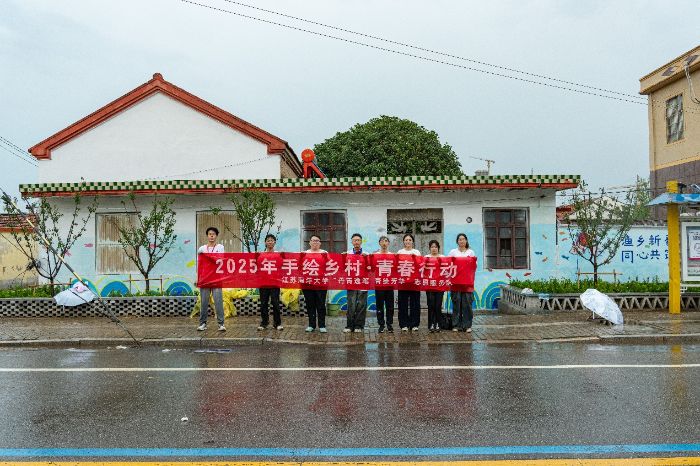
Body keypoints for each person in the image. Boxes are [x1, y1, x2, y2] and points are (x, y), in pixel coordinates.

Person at [196, 226, 226, 332]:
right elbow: (199, 264)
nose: (211, 236)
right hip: (205, 278)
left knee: (218, 302)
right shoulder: (202, 248)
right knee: (204, 302)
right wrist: (198, 278)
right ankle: (202, 323)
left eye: (213, 234)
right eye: (210, 234)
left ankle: (221, 324)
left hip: (216, 278)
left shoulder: (220, 247)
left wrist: (207, 256)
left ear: (216, 236)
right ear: (207, 236)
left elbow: (219, 260)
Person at [448, 233, 477, 333]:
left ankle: (467, 325)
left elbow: (474, 266)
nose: (461, 241)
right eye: (460, 239)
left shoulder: (471, 252)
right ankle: (456, 325)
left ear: (466, 240)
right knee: (456, 304)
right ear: (457, 241)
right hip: (455, 283)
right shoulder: (453, 252)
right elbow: (448, 265)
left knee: (467, 304)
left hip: (467, 284)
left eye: (463, 239)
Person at [302, 235, 328, 333]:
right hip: (308, 283)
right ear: (309, 242)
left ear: (320, 243)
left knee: (321, 305)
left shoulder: (324, 253)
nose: (315, 242)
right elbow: (299, 266)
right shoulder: (305, 253)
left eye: (317, 241)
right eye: (313, 240)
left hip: (321, 283)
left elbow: (330, 265)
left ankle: (322, 325)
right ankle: (311, 325)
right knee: (310, 304)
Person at [397, 233, 422, 332]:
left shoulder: (416, 252)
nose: (408, 241)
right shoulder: (400, 252)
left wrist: (415, 258)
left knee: (415, 303)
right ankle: (404, 324)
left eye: (410, 240)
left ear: (413, 242)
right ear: (403, 241)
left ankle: (414, 324)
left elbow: (420, 265)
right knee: (402, 304)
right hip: (403, 282)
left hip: (414, 282)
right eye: (406, 240)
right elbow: (396, 265)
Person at [258, 234, 283, 331]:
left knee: (275, 303)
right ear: (265, 242)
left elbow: (281, 266)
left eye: (272, 240)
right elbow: (258, 265)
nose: (270, 242)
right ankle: (264, 322)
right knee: (263, 304)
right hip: (263, 283)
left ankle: (277, 323)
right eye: (268, 240)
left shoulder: (278, 254)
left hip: (274, 283)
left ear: (275, 242)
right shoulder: (261, 254)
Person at [373, 235, 394, 333]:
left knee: (390, 306)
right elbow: (371, 267)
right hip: (379, 285)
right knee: (379, 306)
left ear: (388, 243)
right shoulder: (375, 255)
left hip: (389, 284)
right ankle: (381, 324)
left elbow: (396, 268)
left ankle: (389, 324)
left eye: (386, 241)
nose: (384, 243)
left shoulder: (392, 255)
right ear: (379, 243)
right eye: (382, 241)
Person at [424, 239, 444, 333]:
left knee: (438, 305)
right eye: (432, 247)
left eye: (435, 247)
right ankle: (431, 324)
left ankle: (438, 324)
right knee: (431, 305)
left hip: (440, 285)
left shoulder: (442, 257)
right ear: (429, 248)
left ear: (438, 248)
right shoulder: (426, 257)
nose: (434, 248)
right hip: (430, 285)